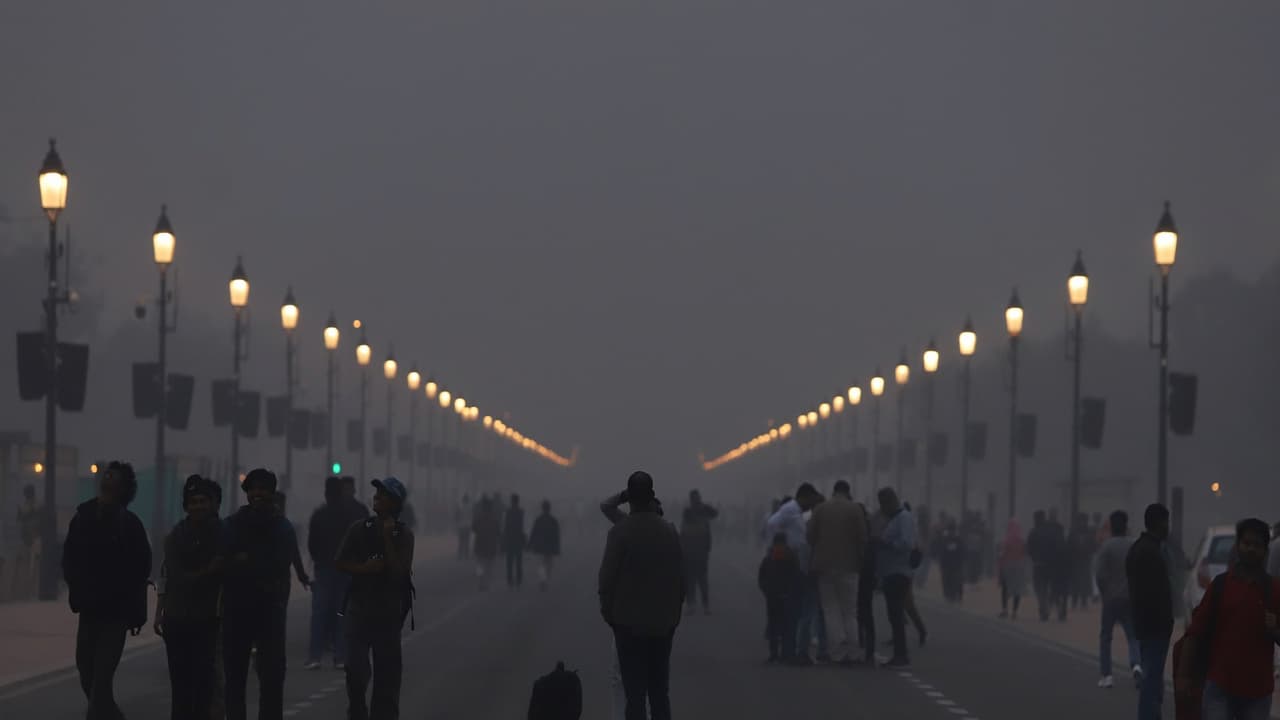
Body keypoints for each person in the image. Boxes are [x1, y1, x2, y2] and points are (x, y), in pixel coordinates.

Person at [62, 461, 151, 720]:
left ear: (123, 488)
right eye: (106, 476)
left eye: (113, 477)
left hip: (115, 614)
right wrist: (76, 588)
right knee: (86, 673)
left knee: (101, 680)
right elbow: (69, 557)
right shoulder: (83, 517)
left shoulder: (130, 524)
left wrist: (135, 611)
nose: (107, 479)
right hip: (89, 610)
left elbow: (141, 569)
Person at [599, 471, 684, 720]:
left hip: (627, 624)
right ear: (652, 497)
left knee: (634, 694)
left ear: (630, 498)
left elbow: (606, 580)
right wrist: (674, 615)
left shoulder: (621, 531)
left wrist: (610, 614)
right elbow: (681, 578)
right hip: (663, 622)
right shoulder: (669, 532)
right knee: (659, 691)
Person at [1177, 518, 1279, 720]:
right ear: (1238, 546)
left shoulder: (1274, 590)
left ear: (1265, 550)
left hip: (1258, 690)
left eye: (1257, 545)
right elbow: (1195, 632)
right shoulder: (1220, 585)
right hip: (1220, 685)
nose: (1251, 549)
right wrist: (1183, 676)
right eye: (1247, 543)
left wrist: (1274, 628)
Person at [222, 468, 298, 720]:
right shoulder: (233, 524)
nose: (258, 493)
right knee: (234, 680)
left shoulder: (282, 527)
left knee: (272, 679)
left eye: (263, 489)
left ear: (272, 493)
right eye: (253, 489)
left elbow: (280, 564)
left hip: (269, 611)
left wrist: (244, 560)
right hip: (237, 610)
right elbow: (224, 561)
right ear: (247, 492)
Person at [337, 478, 415, 720]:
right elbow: (340, 561)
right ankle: (357, 710)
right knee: (355, 670)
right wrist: (364, 568)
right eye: (377, 492)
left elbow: (399, 573)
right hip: (358, 609)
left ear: (395, 503)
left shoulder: (404, 534)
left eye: (384, 494)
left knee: (387, 679)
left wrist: (388, 537)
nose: (377, 496)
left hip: (388, 613)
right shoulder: (359, 528)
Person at [157, 475, 224, 720]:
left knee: (204, 683)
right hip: (178, 618)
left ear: (212, 503)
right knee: (181, 684)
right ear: (186, 506)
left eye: (202, 501)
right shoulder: (176, 537)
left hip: (208, 619)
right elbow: (173, 576)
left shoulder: (222, 534)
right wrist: (209, 570)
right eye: (193, 502)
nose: (198, 506)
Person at [306, 476, 369, 671]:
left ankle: (315, 656)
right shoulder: (351, 515)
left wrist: (319, 559)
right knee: (342, 613)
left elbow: (311, 544)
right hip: (345, 568)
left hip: (324, 568)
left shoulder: (319, 515)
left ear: (326, 493)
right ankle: (340, 656)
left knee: (320, 614)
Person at [806, 479, 868, 665]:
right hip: (849, 566)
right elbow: (863, 538)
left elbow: (810, 536)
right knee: (850, 611)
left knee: (830, 610)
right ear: (848, 492)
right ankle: (853, 652)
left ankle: (836, 653)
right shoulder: (855, 509)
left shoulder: (820, 509)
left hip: (824, 566)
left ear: (833, 491)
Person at [765, 483, 822, 665]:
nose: (810, 506)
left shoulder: (797, 511)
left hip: (798, 563)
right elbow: (772, 524)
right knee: (791, 610)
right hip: (790, 565)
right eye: (810, 501)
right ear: (804, 497)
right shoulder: (790, 509)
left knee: (793, 611)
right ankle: (787, 652)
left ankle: (788, 651)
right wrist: (779, 547)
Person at [1128, 503, 1174, 720]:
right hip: (1155, 624)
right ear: (1159, 523)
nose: (1168, 527)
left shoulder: (1138, 549)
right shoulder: (1151, 552)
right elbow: (1156, 593)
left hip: (1143, 622)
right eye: (1166, 522)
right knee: (1152, 679)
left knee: (1153, 677)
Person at [1096, 510, 1140, 689]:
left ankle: (1107, 675)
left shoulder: (1106, 547)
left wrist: (1104, 592)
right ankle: (1136, 664)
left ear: (1112, 527)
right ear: (1126, 526)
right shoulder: (1134, 545)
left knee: (1106, 637)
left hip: (1111, 598)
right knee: (1133, 635)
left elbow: (1100, 575)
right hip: (1130, 597)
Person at [876, 488, 916, 668]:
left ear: (890, 502)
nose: (882, 509)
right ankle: (900, 654)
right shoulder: (895, 519)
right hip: (891, 571)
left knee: (896, 615)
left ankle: (901, 655)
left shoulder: (903, 518)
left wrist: (887, 543)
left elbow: (907, 543)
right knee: (894, 615)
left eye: (883, 505)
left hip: (898, 572)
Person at [759, 532, 800, 664]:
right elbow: (796, 576)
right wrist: (791, 592)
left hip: (772, 597)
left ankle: (773, 654)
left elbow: (761, 577)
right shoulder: (792, 556)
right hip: (787, 596)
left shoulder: (769, 557)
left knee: (773, 625)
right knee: (787, 626)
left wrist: (767, 591)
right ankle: (786, 654)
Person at [680, 489, 719, 615]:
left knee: (695, 579)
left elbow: (715, 513)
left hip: (697, 550)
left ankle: (696, 604)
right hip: (695, 550)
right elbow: (714, 513)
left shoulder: (697, 511)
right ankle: (699, 605)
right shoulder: (693, 512)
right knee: (697, 579)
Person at [274, 492, 312, 596]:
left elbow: (295, 554)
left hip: (273, 578)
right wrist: (302, 576)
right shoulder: (286, 527)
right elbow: (295, 554)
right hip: (281, 578)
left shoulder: (284, 527)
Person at [13, 483, 41, 599]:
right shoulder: (27, 506)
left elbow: (21, 519)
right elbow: (19, 520)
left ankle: (31, 591)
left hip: (33, 538)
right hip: (28, 538)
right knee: (27, 566)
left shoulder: (35, 506)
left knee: (32, 566)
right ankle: (27, 591)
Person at [528, 500, 562, 591]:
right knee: (549, 564)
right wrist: (557, 548)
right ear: (549, 509)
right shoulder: (553, 520)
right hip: (550, 546)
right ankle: (545, 579)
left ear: (542, 508)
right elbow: (556, 535)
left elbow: (533, 533)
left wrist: (530, 544)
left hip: (540, 546)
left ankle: (543, 579)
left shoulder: (538, 520)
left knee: (541, 564)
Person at [998, 518, 1027, 618]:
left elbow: (1002, 555)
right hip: (1018, 568)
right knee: (1017, 590)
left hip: (1007, 567)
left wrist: (1000, 568)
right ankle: (1015, 611)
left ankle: (1005, 609)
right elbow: (1024, 555)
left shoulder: (1006, 541)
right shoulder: (1022, 542)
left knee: (1005, 589)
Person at [472, 495, 501, 589]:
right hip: (491, 545)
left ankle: (480, 581)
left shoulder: (478, 519)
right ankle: (487, 583)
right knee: (489, 565)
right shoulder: (495, 520)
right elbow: (498, 533)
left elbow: (474, 529)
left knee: (480, 564)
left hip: (480, 544)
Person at [1071, 512, 1098, 610]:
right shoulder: (1073, 532)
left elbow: (1094, 546)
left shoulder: (1089, 533)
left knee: (1085, 582)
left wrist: (1089, 551)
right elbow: (1069, 546)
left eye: (1084, 520)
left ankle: (1083, 601)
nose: (1082, 523)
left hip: (1085, 560)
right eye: (1080, 520)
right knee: (1075, 582)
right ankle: (1075, 601)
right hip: (1075, 561)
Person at [504, 494, 527, 589]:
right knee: (518, 560)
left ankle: (510, 579)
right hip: (518, 538)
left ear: (511, 501)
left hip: (510, 538)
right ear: (518, 501)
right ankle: (519, 579)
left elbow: (506, 526)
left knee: (509, 561)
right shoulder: (521, 512)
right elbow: (522, 526)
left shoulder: (508, 512)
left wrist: (504, 538)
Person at [455, 493, 472, 560]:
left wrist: (457, 524)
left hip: (461, 526)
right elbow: (472, 517)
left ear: (463, 500)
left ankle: (460, 555)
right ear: (468, 500)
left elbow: (456, 517)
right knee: (467, 541)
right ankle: (466, 555)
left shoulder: (459, 507)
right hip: (468, 525)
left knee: (461, 541)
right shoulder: (470, 507)